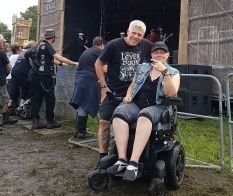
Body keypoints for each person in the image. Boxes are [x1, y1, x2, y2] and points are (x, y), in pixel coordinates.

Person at [106, 41, 180, 181]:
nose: (159, 55)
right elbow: (132, 85)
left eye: (162, 52)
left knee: (144, 116)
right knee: (118, 113)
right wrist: (128, 95)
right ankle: (122, 159)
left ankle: (133, 163)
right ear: (151, 54)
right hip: (137, 104)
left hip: (158, 107)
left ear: (167, 55)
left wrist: (164, 71)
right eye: (156, 52)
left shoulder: (173, 72)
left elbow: (172, 93)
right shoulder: (142, 68)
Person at [95, 20, 153, 166]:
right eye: (133, 33)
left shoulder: (146, 45)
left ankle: (130, 156)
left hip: (135, 92)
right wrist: (103, 86)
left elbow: (159, 57)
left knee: (132, 122)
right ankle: (103, 158)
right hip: (113, 90)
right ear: (127, 31)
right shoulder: (114, 45)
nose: (136, 36)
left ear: (143, 35)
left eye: (139, 34)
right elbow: (98, 63)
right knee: (104, 122)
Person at [30, 29, 78, 130]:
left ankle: (35, 121)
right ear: (53, 37)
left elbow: (51, 60)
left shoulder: (38, 45)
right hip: (45, 77)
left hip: (35, 76)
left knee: (37, 99)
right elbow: (58, 57)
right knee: (50, 99)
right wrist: (73, 63)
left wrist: (62, 64)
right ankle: (50, 121)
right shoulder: (47, 46)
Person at [69, 36, 106, 139]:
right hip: (90, 81)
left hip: (80, 80)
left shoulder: (86, 51)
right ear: (102, 45)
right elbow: (105, 68)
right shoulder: (99, 52)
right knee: (99, 104)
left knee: (82, 104)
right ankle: (104, 132)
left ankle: (80, 132)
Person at [8, 41, 36, 112]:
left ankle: (7, 107)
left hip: (14, 71)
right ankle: (21, 109)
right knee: (25, 90)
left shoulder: (22, 52)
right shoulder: (31, 52)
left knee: (13, 89)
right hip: (23, 72)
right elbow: (33, 64)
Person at [0, 34, 18, 133]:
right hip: (1, 82)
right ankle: (3, 119)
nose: (4, 44)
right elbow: (9, 67)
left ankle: (5, 118)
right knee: (6, 100)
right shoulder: (2, 54)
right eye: (3, 42)